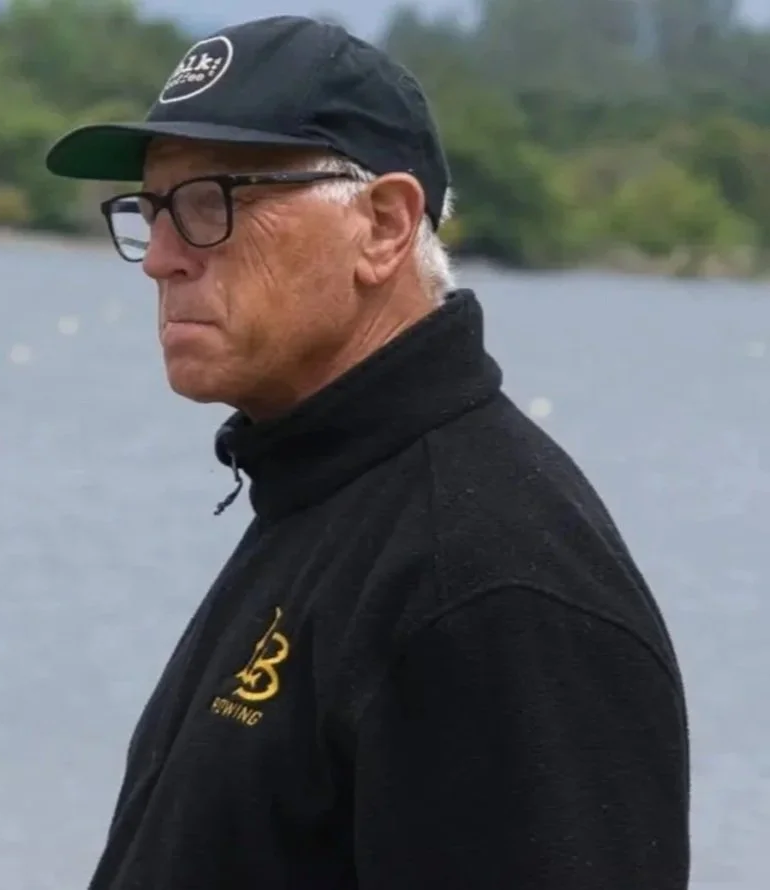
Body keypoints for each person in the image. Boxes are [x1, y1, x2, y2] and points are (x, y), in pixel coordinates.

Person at [46, 15, 690, 890]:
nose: (160, 259)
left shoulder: (484, 583)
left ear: (384, 226)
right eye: (153, 209)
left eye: (209, 203)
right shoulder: (320, 493)